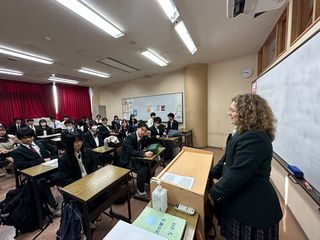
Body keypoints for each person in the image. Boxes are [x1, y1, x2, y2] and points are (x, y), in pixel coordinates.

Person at [208, 94, 282, 240]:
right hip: (239, 198)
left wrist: (211, 193)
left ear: (246, 113)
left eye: (233, 110)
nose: (228, 113)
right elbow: (226, 159)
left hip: (253, 208)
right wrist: (209, 174)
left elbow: (236, 175)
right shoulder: (242, 133)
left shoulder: (254, 138)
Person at [11, 128, 59, 213]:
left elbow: (54, 149)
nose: (29, 139)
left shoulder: (40, 143)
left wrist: (53, 157)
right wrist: (42, 160)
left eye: (30, 136)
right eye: (25, 138)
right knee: (41, 182)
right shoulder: (17, 152)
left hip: (51, 167)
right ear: (20, 139)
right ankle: (54, 206)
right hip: (37, 174)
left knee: (66, 172)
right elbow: (21, 165)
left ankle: (70, 196)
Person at [118, 122, 153, 197]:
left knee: (152, 163)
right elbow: (130, 151)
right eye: (142, 130)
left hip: (135, 158)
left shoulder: (141, 136)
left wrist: (148, 136)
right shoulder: (130, 138)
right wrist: (144, 154)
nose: (143, 132)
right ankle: (140, 189)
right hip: (127, 160)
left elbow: (146, 145)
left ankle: (146, 181)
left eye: (145, 131)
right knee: (143, 168)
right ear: (137, 128)